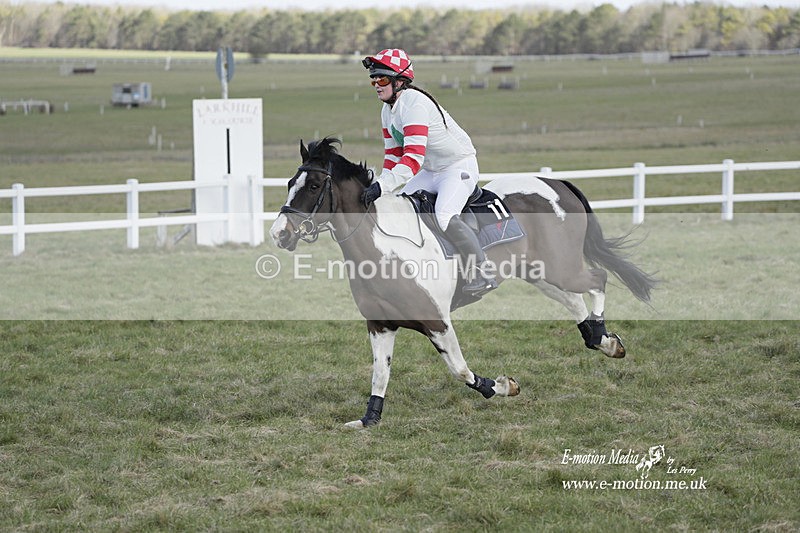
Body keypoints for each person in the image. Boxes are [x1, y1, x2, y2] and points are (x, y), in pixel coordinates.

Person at [360, 48, 497, 297]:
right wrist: (382, 187)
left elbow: (412, 157)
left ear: (399, 81)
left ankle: (482, 272)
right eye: (373, 80)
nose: (376, 85)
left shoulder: (414, 103)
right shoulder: (386, 110)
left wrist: (381, 187)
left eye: (381, 79)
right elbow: (393, 156)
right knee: (400, 207)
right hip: (430, 170)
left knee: (444, 214)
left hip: (458, 167)